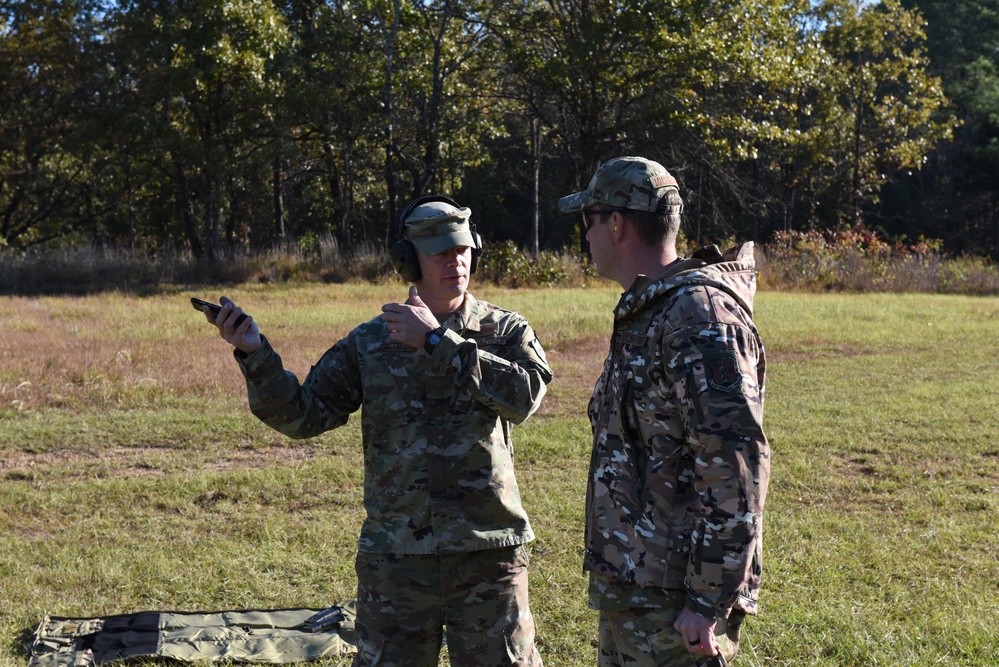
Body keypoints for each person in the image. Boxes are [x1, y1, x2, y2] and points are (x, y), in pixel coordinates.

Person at [200, 196, 552, 667]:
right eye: (441, 252)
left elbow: (526, 396)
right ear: (409, 259)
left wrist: (437, 342)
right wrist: (255, 354)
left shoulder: (504, 330)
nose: (456, 261)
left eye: (463, 249)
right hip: (398, 559)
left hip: (487, 554)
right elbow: (305, 415)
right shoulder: (370, 342)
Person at [558, 157, 770, 666]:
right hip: (635, 584)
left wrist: (706, 601)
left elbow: (734, 466)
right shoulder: (650, 308)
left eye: (588, 220)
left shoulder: (697, 317)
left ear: (616, 223)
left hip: (675, 601)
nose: (585, 236)